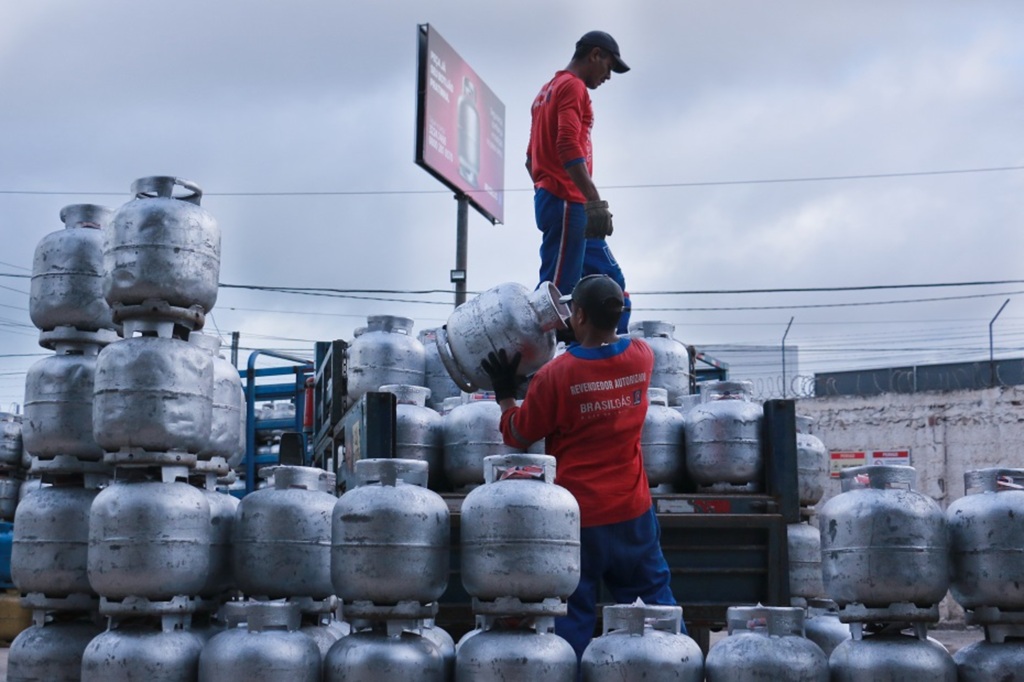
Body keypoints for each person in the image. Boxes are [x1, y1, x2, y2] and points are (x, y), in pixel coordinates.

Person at [480, 274, 681, 662]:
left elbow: (518, 434)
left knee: (572, 617)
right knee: (657, 609)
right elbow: (608, 349)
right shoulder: (643, 356)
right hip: (633, 512)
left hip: (578, 518)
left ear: (580, 316)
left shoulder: (555, 375)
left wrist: (506, 394)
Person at [526, 30, 632, 334]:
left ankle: (608, 360)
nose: (608, 76)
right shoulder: (572, 87)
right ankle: (538, 367)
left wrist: (546, 189)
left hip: (564, 201)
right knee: (556, 297)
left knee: (612, 284)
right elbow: (568, 146)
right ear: (595, 54)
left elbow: (530, 158)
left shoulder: (545, 92)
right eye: (609, 67)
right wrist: (593, 201)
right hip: (567, 201)